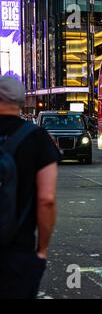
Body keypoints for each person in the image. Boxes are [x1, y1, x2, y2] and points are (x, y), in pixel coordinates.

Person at [0, 76, 60, 299]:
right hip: (18, 250)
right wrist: (42, 250)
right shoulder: (37, 138)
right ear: (22, 101)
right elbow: (47, 199)